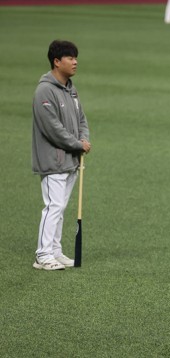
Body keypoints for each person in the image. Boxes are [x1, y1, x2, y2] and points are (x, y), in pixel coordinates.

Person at [32, 40, 91, 271]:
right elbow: (52, 129)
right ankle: (43, 255)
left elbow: (81, 119)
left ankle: (55, 251)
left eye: (76, 57)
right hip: (52, 160)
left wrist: (83, 140)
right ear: (57, 61)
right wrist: (78, 143)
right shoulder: (44, 91)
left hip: (71, 160)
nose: (75, 61)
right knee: (53, 206)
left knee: (61, 208)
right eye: (70, 57)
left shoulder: (71, 89)